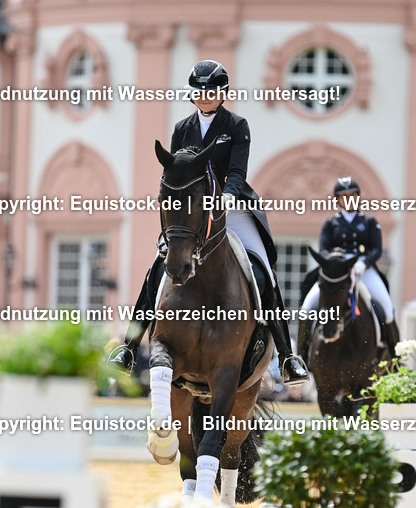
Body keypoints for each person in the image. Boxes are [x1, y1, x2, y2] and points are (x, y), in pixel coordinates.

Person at [109, 60, 309, 385]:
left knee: (263, 272)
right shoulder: (182, 128)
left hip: (233, 207)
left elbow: (238, 172)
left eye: (211, 91)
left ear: (222, 92)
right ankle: (129, 347)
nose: (204, 96)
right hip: (192, 211)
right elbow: (176, 171)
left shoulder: (237, 126)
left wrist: (227, 196)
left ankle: (287, 357)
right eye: (198, 91)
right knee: (157, 267)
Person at [297, 176, 398, 360]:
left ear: (358, 197)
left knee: (387, 308)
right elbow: (323, 249)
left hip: (363, 269)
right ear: (338, 199)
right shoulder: (330, 223)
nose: (348, 199)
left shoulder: (369, 221)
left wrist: (363, 263)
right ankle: (300, 358)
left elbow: (377, 249)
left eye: (352, 195)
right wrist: (335, 262)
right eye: (344, 196)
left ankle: (395, 358)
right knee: (306, 308)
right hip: (337, 273)